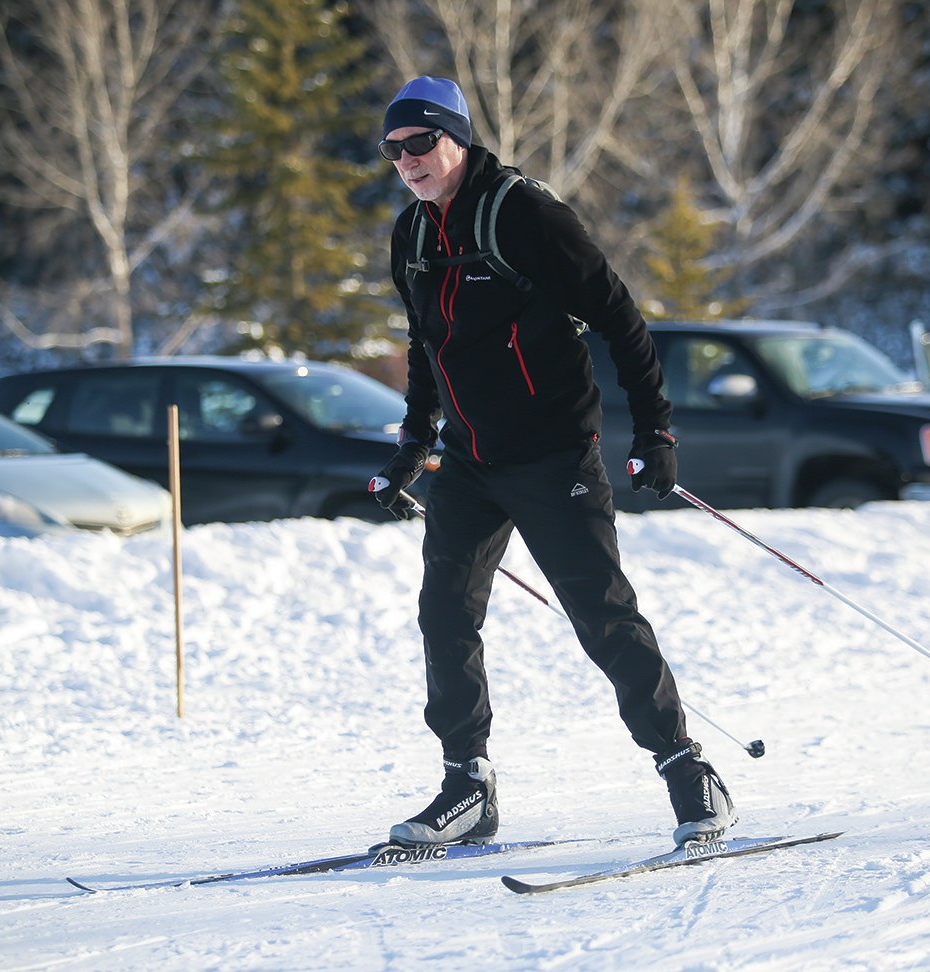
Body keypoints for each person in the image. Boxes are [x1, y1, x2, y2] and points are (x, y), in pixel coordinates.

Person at [368, 76, 736, 847]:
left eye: (421, 142)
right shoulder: (411, 235)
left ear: (458, 139)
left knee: (602, 616)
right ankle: (467, 785)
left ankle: (688, 770)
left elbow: (620, 316)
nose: (407, 160)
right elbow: (425, 345)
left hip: (552, 454)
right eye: (393, 149)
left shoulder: (525, 213)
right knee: (444, 614)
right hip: (469, 462)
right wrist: (413, 441)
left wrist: (656, 431)